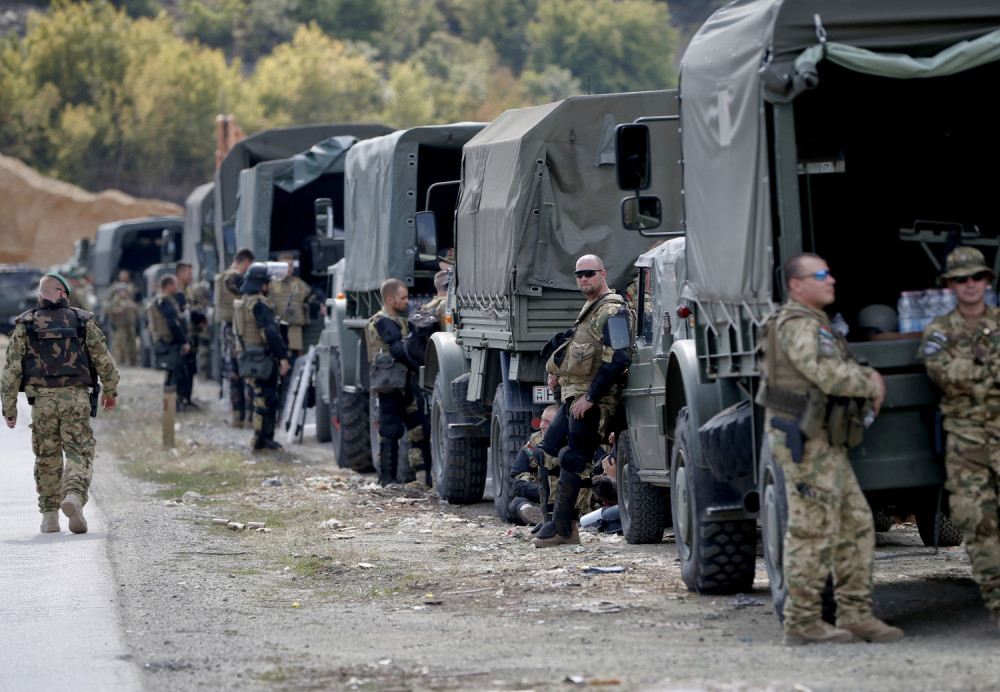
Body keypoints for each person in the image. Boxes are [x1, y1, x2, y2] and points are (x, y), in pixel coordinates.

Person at [757, 252, 901, 645]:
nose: (831, 280)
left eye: (830, 273)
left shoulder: (814, 324)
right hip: (806, 440)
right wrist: (869, 381)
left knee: (854, 522)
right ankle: (803, 623)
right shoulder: (798, 325)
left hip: (825, 439)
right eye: (820, 275)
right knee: (811, 528)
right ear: (796, 285)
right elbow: (825, 373)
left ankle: (855, 614)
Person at [1, 273, 119, 534]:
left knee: (47, 457)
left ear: (41, 295)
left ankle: (50, 517)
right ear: (63, 294)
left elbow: (11, 370)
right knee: (79, 451)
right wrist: (110, 391)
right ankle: (74, 496)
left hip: (41, 402)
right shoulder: (82, 321)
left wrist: (9, 408)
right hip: (75, 399)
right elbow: (104, 360)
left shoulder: (26, 324)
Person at [921, 246, 1000, 632]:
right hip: (967, 444)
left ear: (987, 280)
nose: (970, 285)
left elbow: (963, 374)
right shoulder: (939, 332)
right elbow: (944, 373)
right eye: (961, 279)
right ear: (950, 285)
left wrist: (974, 371)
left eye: (976, 277)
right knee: (978, 524)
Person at [532, 254, 631, 547]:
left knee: (575, 459)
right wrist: (557, 373)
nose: (584, 279)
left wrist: (591, 397)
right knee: (545, 452)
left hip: (594, 401)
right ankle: (553, 522)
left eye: (590, 273)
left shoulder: (613, 310)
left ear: (603, 273)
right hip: (573, 396)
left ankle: (563, 529)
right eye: (579, 275)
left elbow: (620, 358)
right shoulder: (591, 309)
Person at [365, 278, 431, 487]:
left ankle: (422, 480)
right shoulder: (383, 321)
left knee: (419, 429)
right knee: (390, 431)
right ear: (390, 299)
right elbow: (396, 348)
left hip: (406, 385)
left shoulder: (398, 320)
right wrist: (422, 363)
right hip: (391, 386)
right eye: (403, 298)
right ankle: (387, 480)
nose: (407, 301)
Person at [233, 263, 290, 452]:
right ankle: (260, 440)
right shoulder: (259, 304)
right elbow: (271, 333)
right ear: (262, 285)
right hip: (262, 358)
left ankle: (265, 439)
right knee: (265, 399)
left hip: (250, 356)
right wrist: (282, 357)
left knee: (264, 397)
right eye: (268, 282)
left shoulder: (245, 301)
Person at [215, 248, 255, 428]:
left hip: (229, 328)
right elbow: (248, 290)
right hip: (236, 329)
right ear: (246, 262)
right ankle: (246, 416)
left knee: (234, 372)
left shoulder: (223, 276)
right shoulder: (235, 277)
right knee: (243, 371)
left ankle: (237, 416)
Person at [507, 404, 559, 526]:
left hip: (570, 496)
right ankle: (531, 513)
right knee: (517, 503)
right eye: (541, 420)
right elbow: (518, 476)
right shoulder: (535, 442)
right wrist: (539, 489)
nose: (541, 426)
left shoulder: (576, 442)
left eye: (547, 422)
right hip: (543, 495)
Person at [147, 274, 192, 410]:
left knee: (172, 374)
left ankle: (172, 404)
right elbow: (173, 323)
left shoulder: (158, 300)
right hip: (170, 342)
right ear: (168, 286)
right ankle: (173, 405)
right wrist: (184, 341)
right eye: (175, 285)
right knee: (175, 375)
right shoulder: (165, 301)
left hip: (164, 341)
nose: (177, 287)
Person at [176, 260, 212, 383]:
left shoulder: (189, 291)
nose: (191, 277)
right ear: (180, 274)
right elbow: (183, 312)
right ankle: (181, 399)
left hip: (193, 333)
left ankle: (187, 398)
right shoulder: (176, 291)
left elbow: (192, 308)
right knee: (182, 369)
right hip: (183, 335)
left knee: (190, 368)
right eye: (189, 273)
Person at [105, 282, 140, 366]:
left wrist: (135, 308)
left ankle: (132, 361)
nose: (123, 293)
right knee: (119, 344)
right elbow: (107, 309)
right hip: (119, 326)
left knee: (132, 344)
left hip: (130, 325)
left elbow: (137, 311)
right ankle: (120, 361)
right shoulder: (115, 300)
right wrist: (116, 310)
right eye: (121, 291)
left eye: (124, 291)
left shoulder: (129, 300)